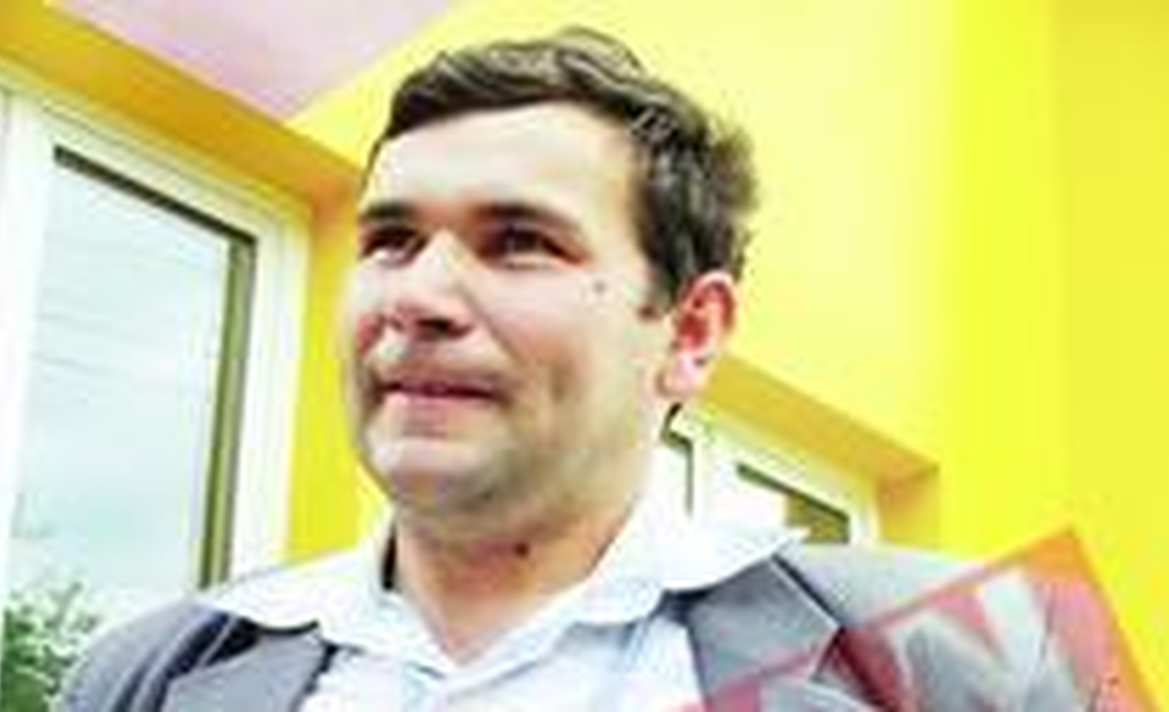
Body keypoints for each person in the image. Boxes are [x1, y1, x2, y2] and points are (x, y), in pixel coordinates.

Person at [58, 28, 1111, 711]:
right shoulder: (143, 677)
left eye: (519, 242)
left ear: (691, 331)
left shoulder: (987, 658)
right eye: (391, 240)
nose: (418, 295)